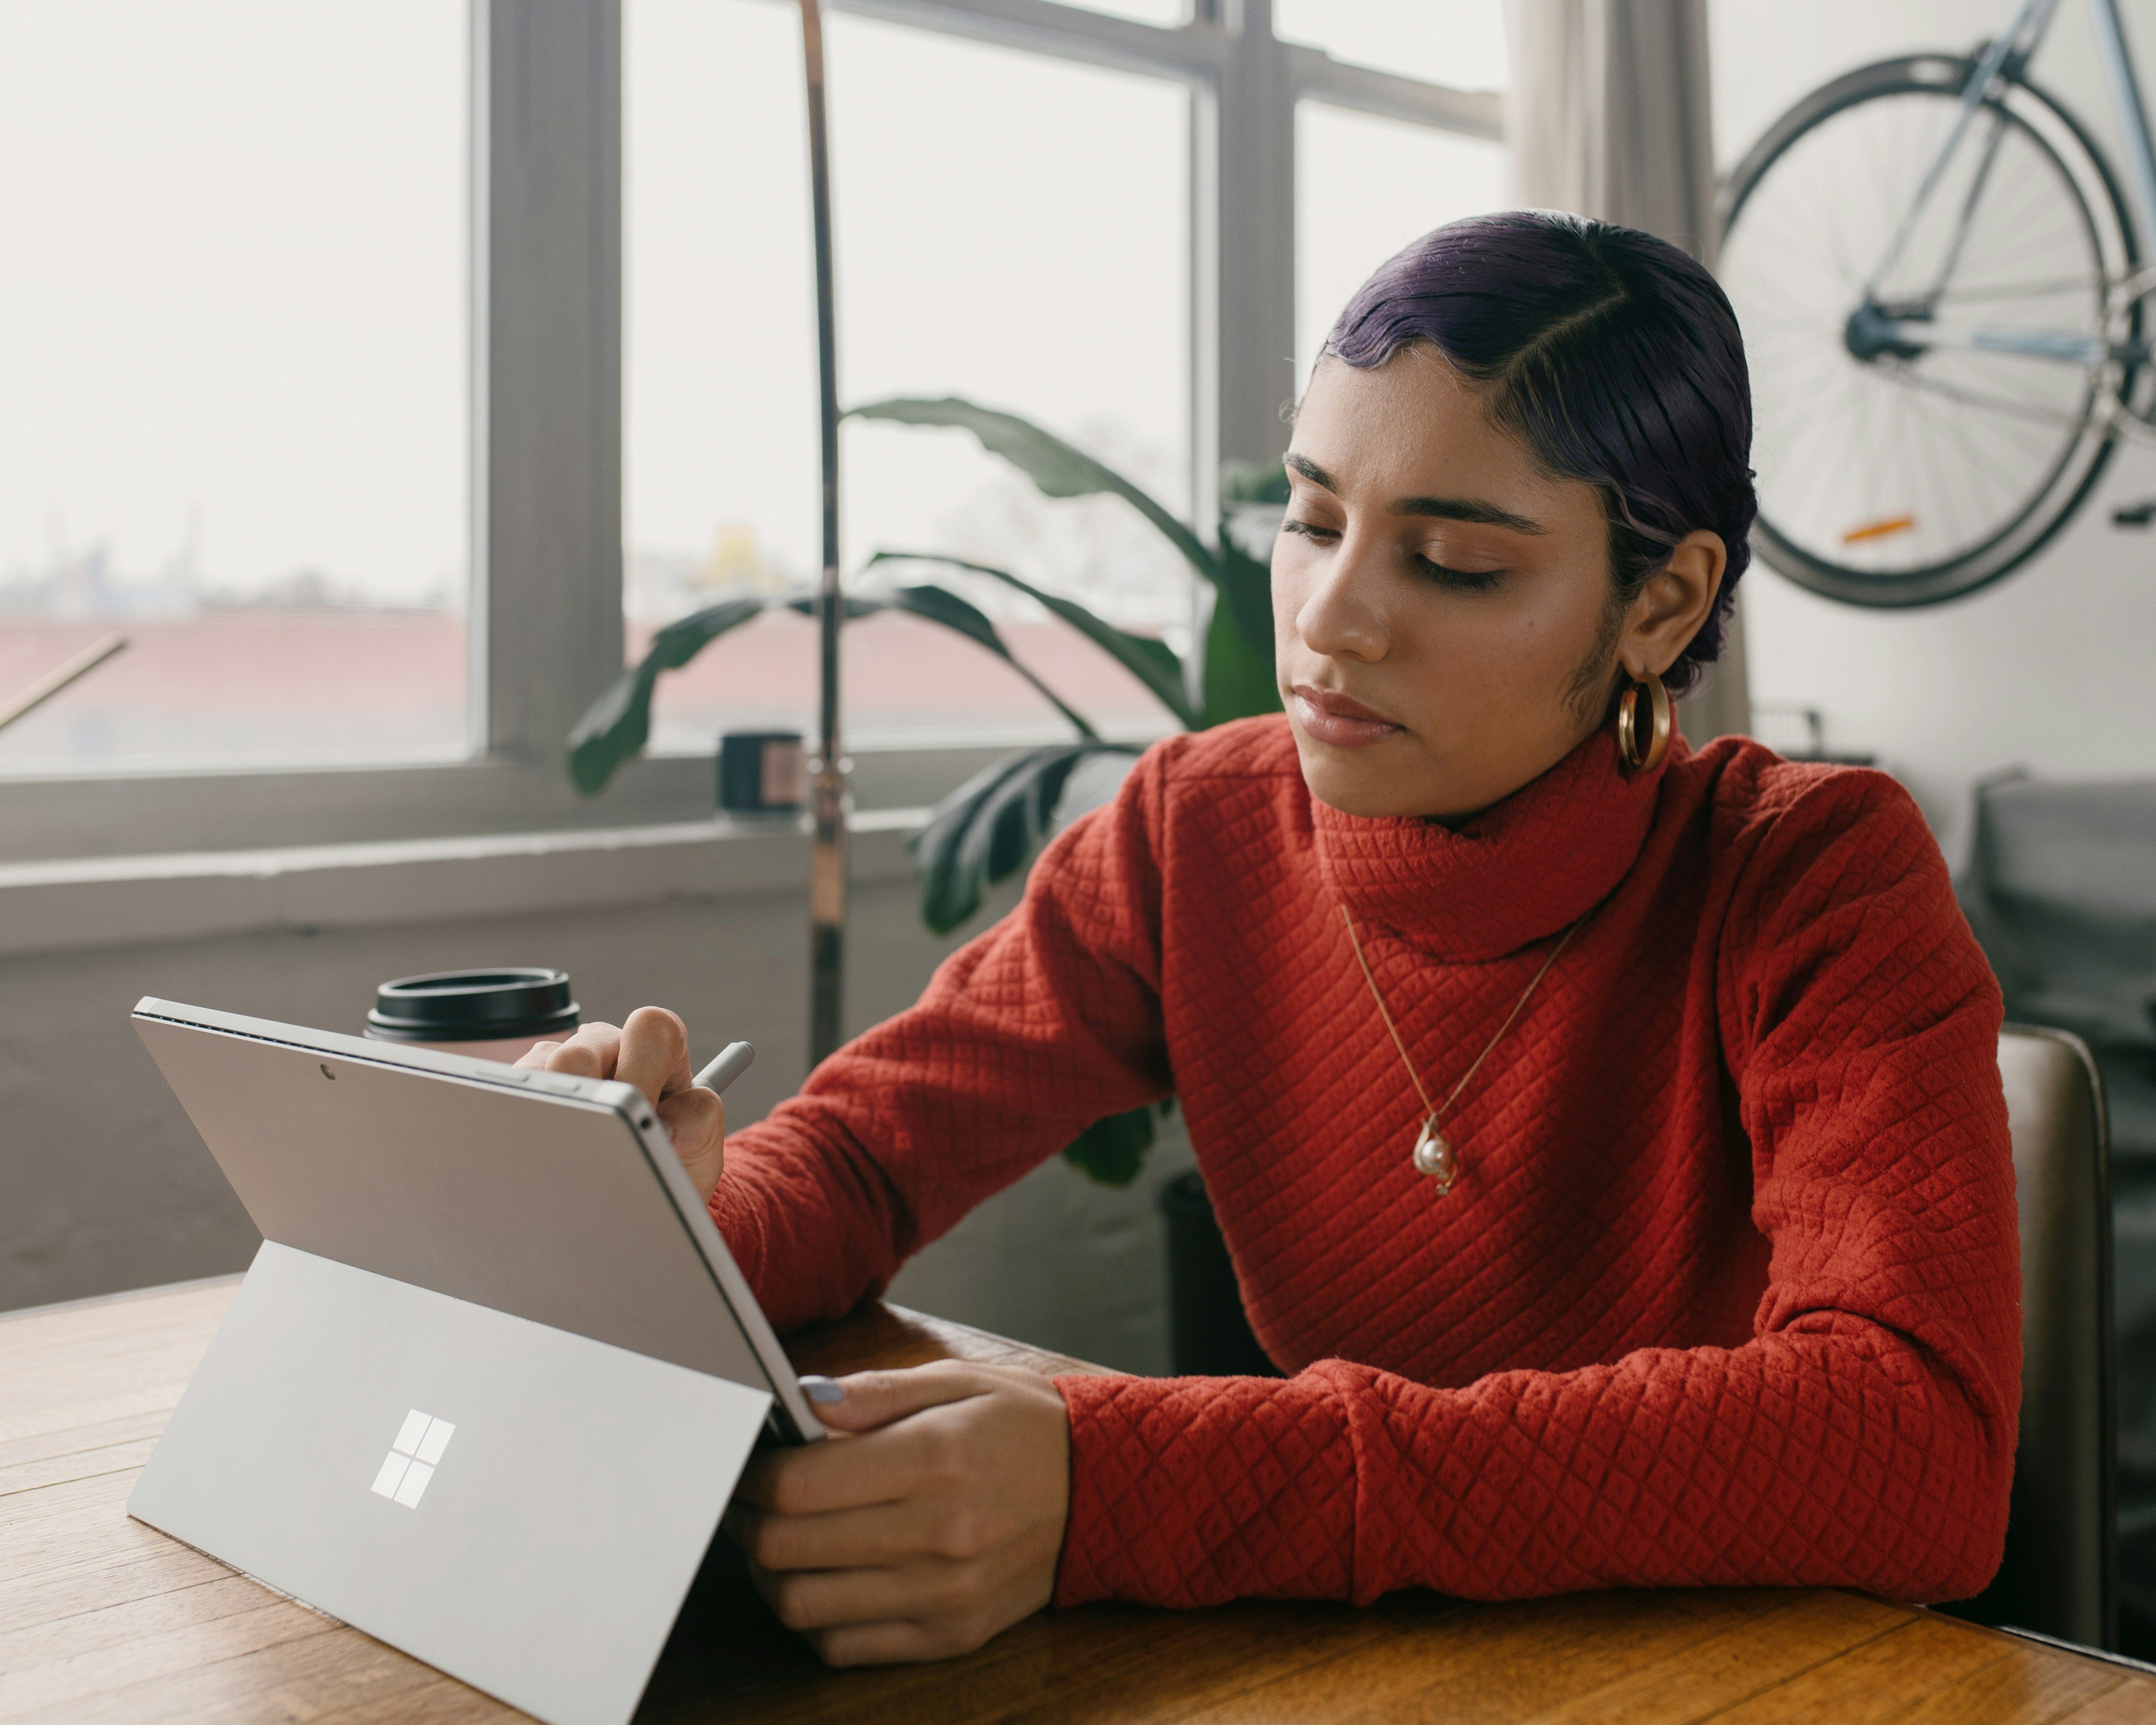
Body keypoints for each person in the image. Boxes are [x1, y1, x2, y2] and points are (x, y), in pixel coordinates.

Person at [525, 211, 2019, 1667]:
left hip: (1752, 1679)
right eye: (1310, 521)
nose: (1330, 620)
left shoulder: (1815, 877)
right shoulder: (1196, 830)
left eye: (1454, 562)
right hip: (1367, 1672)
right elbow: (865, 1155)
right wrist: (658, 1215)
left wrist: (1127, 1483)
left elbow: (1916, 1439)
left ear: (1662, 604)